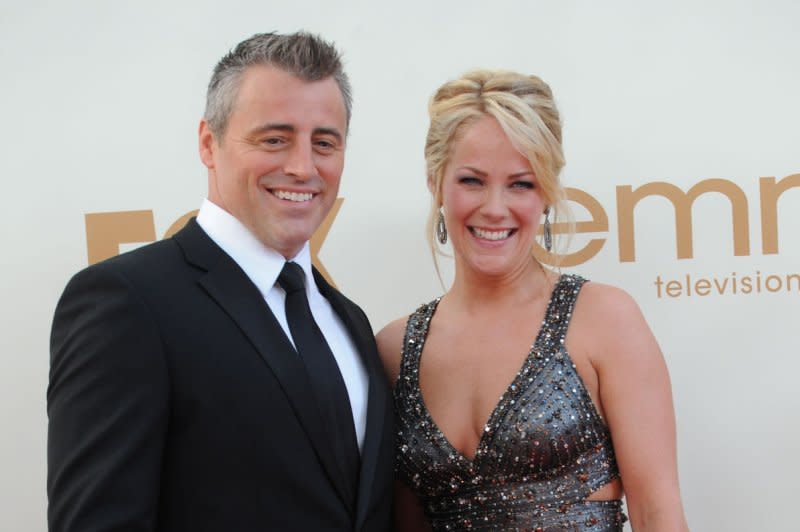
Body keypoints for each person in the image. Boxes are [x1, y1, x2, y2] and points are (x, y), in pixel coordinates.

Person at [48, 32, 394, 531]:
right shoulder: (127, 303)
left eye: (324, 143)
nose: (302, 167)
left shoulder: (349, 320)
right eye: (274, 139)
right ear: (209, 143)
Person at [377, 70, 689, 531]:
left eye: (520, 183)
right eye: (472, 180)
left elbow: (656, 513)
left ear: (546, 191)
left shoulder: (603, 320)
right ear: (435, 181)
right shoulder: (394, 349)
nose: (495, 208)